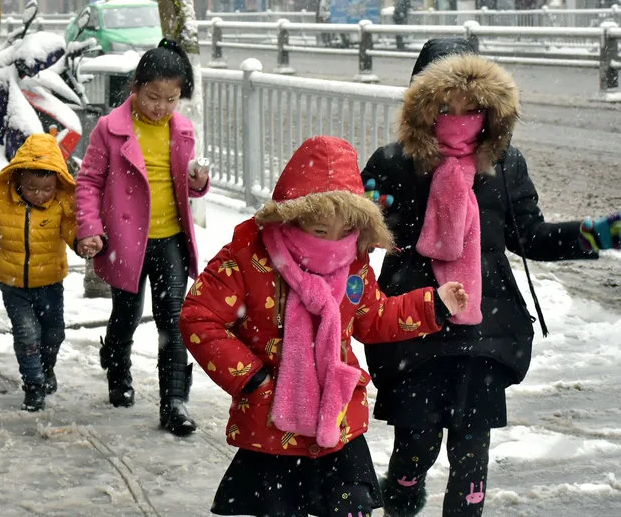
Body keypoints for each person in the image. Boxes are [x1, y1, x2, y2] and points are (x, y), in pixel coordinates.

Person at [361, 38, 621, 517]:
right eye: (445, 101)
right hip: (413, 321)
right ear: (422, 102)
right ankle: (402, 488)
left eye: (472, 103)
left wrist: (596, 234)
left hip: (485, 322)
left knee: (470, 449)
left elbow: (532, 236)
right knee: (415, 442)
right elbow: (358, 232)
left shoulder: (505, 164)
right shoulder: (392, 161)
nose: (459, 112)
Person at [180, 135, 469, 517]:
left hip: (336, 421)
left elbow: (372, 318)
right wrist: (251, 378)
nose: (332, 242)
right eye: (319, 230)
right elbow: (199, 316)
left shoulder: (353, 262)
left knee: (351, 509)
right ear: (291, 215)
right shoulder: (248, 255)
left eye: (343, 230)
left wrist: (433, 306)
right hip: (272, 424)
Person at [75, 38, 210, 436]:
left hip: (170, 238)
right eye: (153, 97)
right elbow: (88, 182)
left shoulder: (181, 130)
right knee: (127, 315)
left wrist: (198, 183)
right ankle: (118, 371)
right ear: (135, 88)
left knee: (173, 321)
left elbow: (186, 186)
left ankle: (174, 401)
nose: (162, 107)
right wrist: (90, 229)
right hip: (125, 241)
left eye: (171, 99)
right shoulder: (110, 129)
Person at [0, 133, 78, 412]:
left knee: (54, 333)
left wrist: (87, 242)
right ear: (18, 179)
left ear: (57, 183)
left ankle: (46, 368)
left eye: (46, 189)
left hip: (50, 282)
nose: (40, 195)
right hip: (14, 284)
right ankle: (33, 384)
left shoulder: (62, 205)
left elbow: (73, 232)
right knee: (26, 334)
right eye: (32, 188)